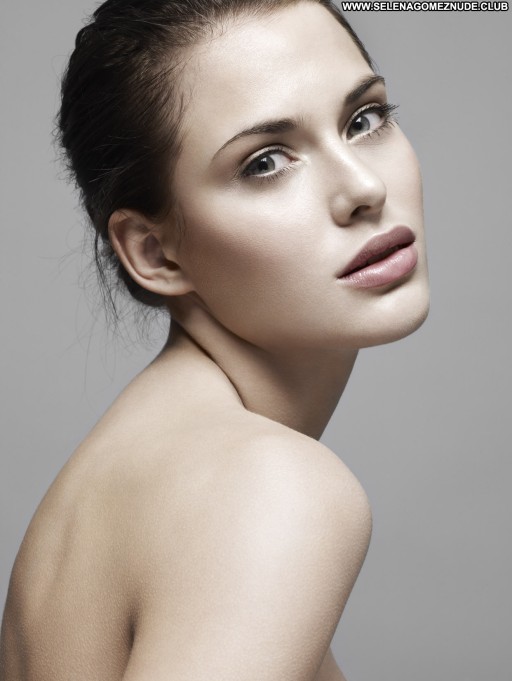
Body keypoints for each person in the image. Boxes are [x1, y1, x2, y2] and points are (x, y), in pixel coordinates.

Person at [0, 0, 430, 679]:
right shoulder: (264, 485)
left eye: (364, 119)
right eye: (265, 162)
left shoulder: (125, 485)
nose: (364, 187)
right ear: (155, 252)